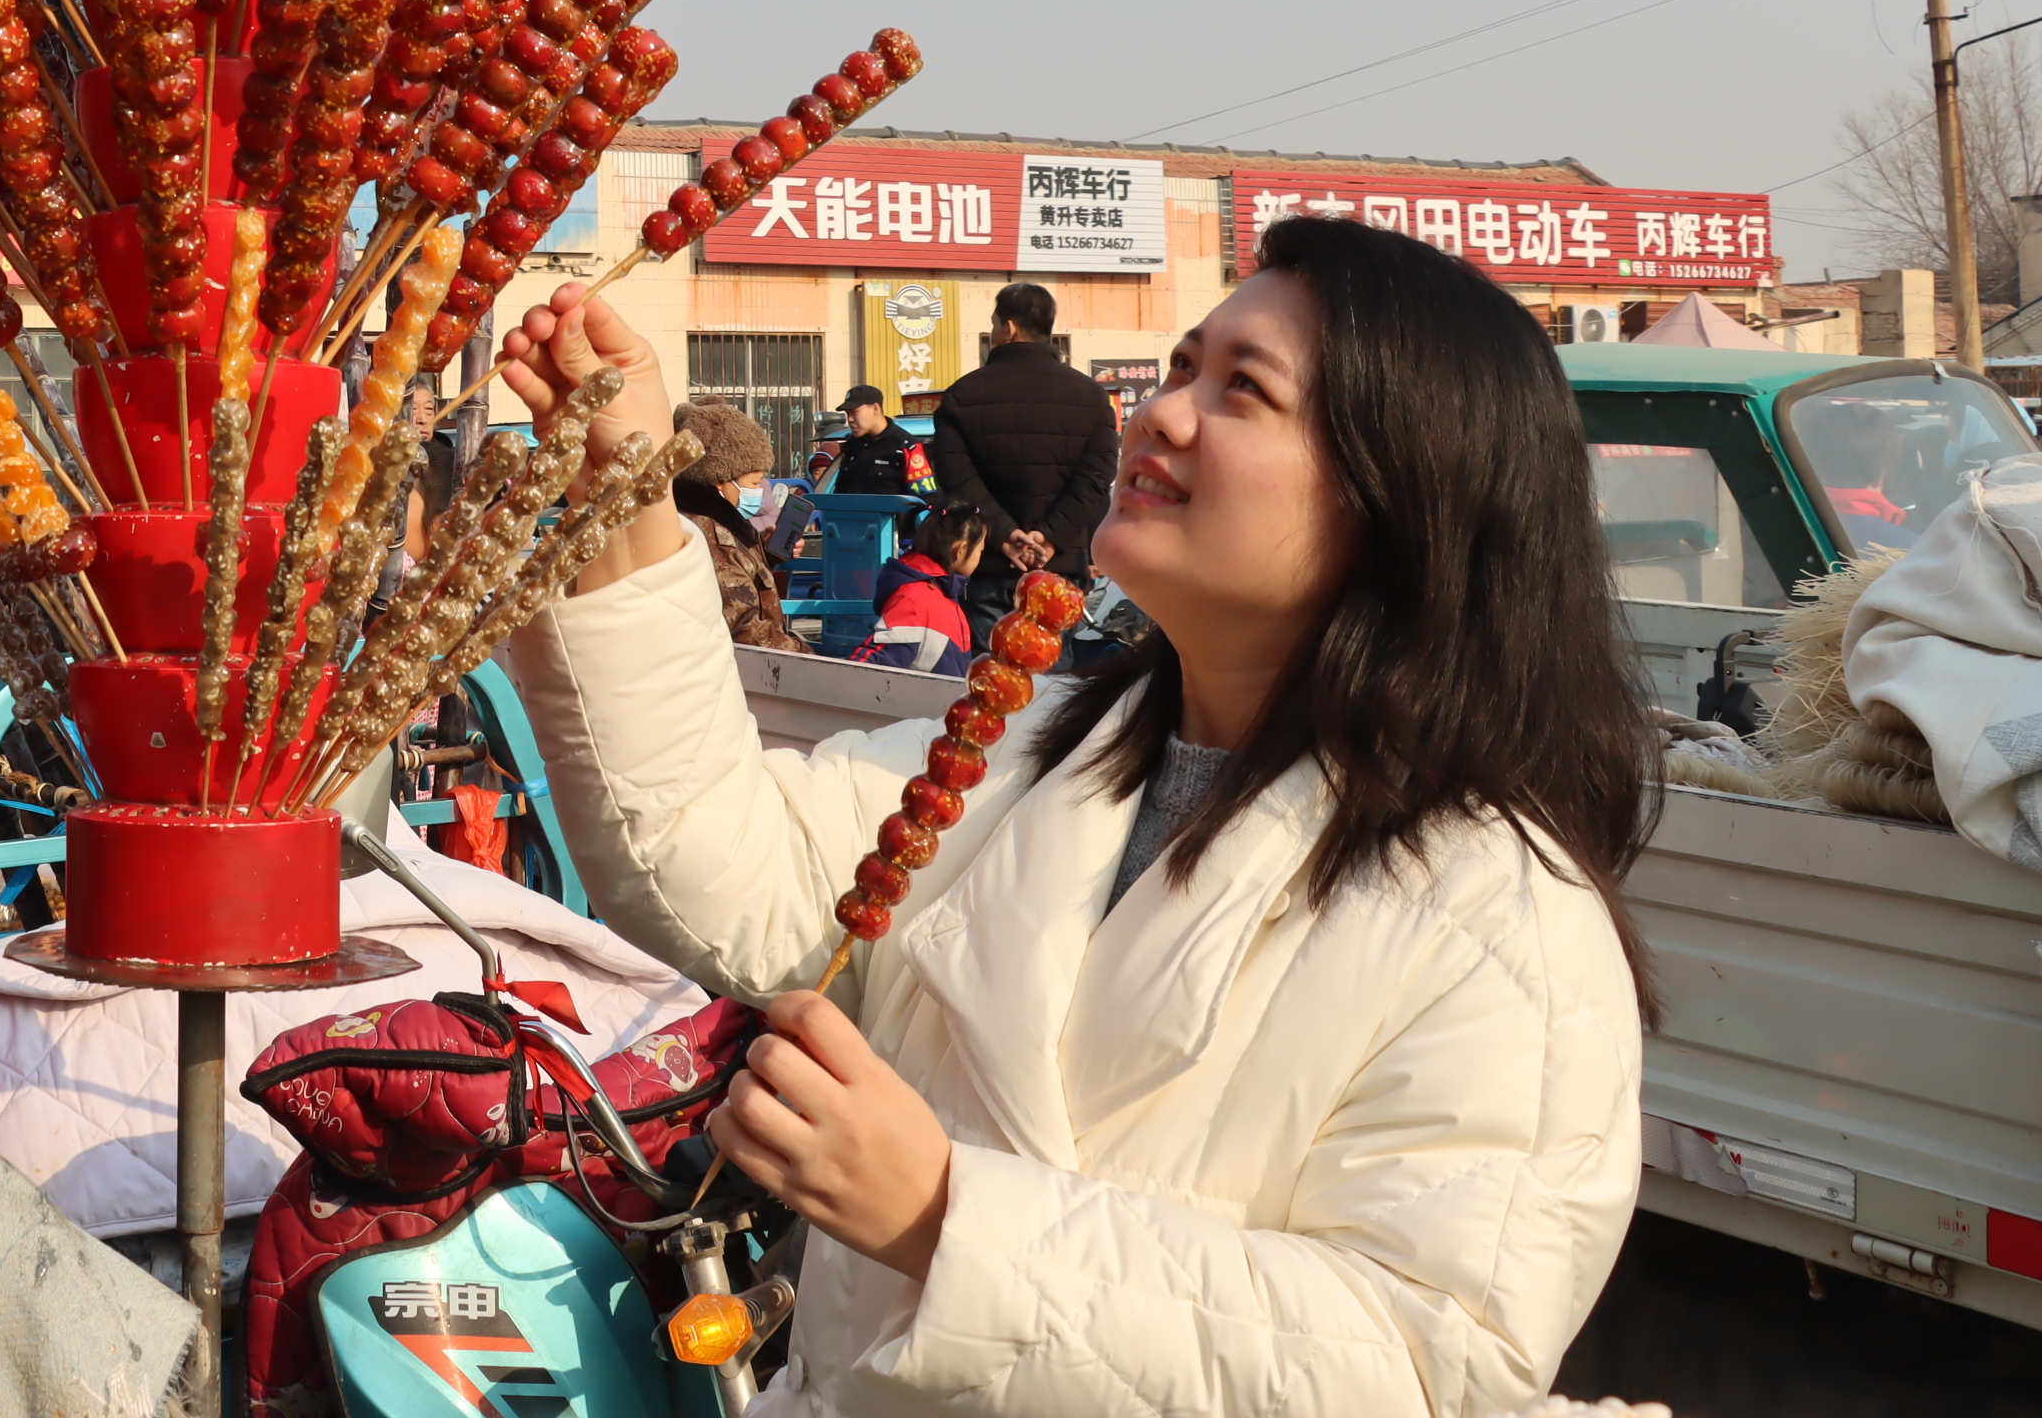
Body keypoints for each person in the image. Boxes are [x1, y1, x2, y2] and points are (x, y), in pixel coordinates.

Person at [493, 217, 1653, 1415]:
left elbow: (1425, 1362)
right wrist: (624, 486)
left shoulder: (1505, 920)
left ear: (1401, 494)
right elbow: (701, 851)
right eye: (1184, 366)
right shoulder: (1019, 756)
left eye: (1242, 389)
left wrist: (948, 1220)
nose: (1160, 412)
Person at [930, 281, 1117, 619]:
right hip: (1060, 567)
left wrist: (1004, 534)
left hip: (986, 564)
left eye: (993, 324)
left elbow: (956, 477)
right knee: (1056, 668)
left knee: (988, 668)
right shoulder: (1092, 397)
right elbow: (1097, 478)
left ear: (1009, 328)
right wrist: (1049, 538)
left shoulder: (963, 395)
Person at [673, 399, 796, 650]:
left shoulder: (725, 521)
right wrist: (805, 654)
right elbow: (744, 627)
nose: (759, 492)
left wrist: (765, 552)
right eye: (753, 484)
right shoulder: (709, 533)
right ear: (720, 479)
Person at [860, 499, 990, 674]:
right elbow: (865, 669)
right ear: (960, 550)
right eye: (980, 550)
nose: (979, 558)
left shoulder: (940, 594)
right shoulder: (916, 600)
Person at [825, 384, 910, 497]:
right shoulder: (851, 443)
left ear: (876, 408)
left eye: (855, 412)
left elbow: (925, 499)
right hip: (849, 514)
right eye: (847, 414)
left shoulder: (905, 446)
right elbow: (840, 492)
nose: (850, 419)